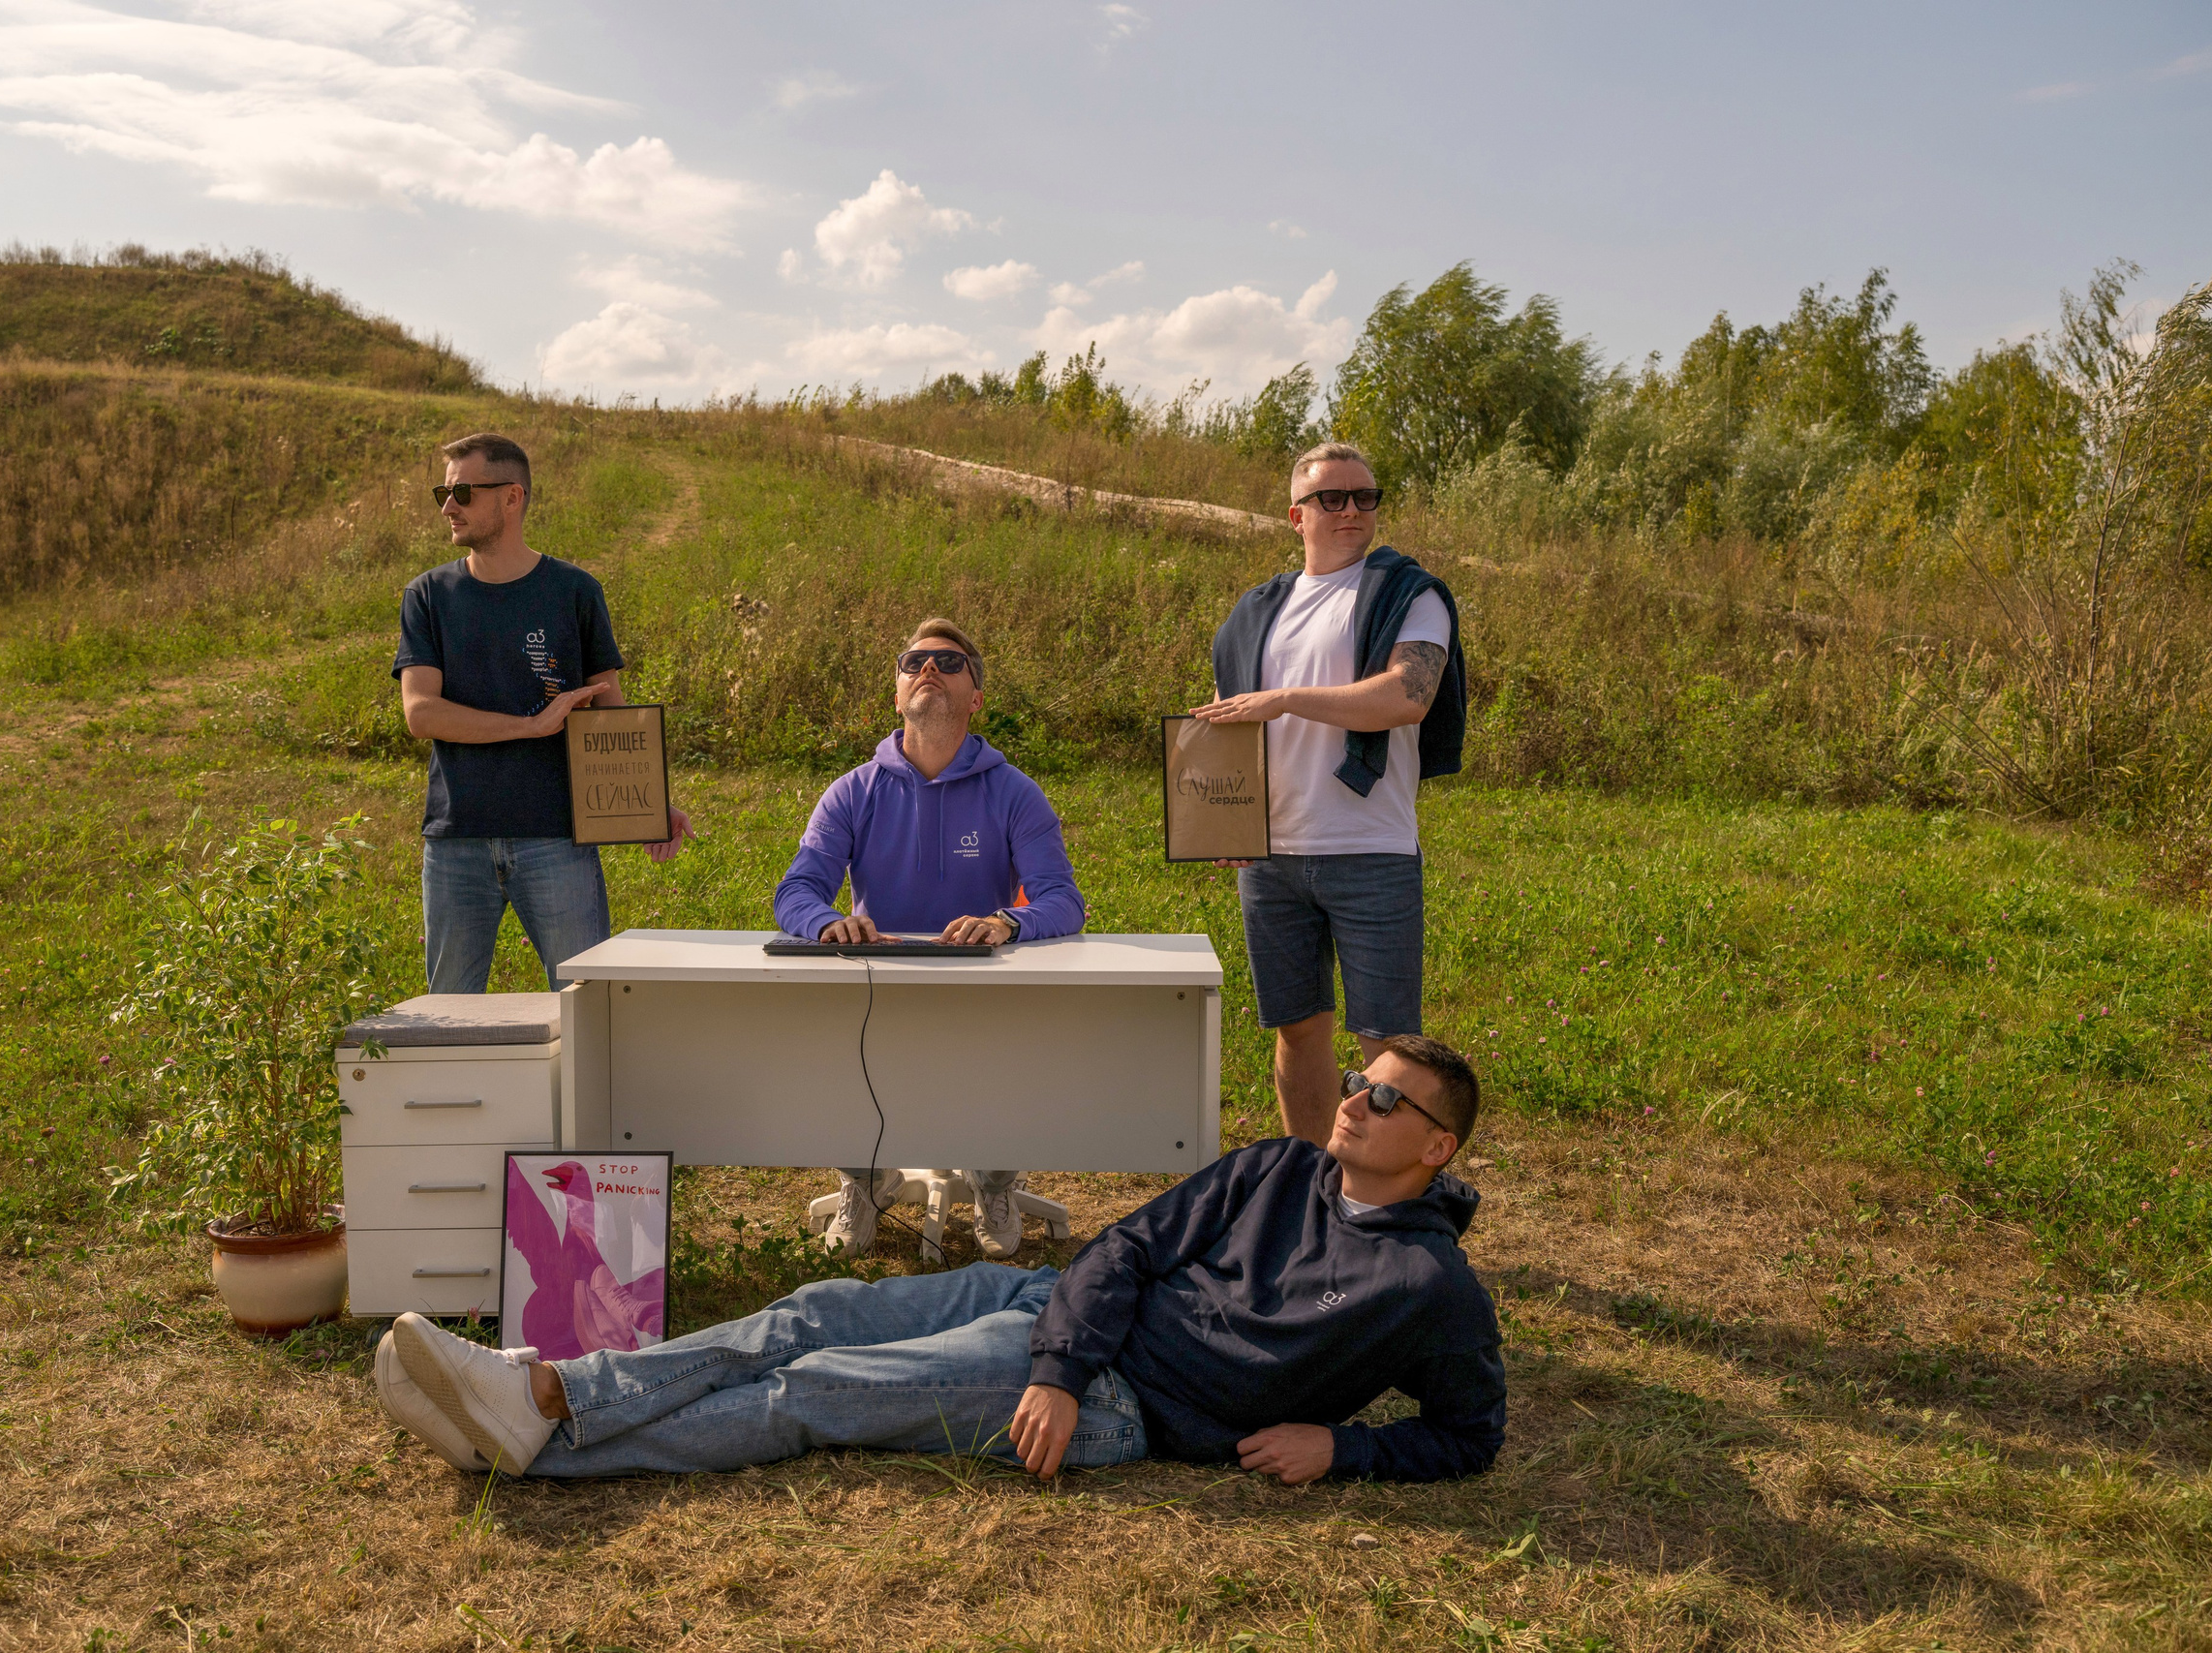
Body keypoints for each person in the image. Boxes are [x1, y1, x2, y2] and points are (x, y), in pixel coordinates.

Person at [374, 1036, 1502, 1485]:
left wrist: (1342, 1446)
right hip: (1060, 1326)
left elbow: (1470, 1435)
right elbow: (1127, 1248)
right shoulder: (1277, 1168)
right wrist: (1056, 1358)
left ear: (1434, 1146)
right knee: (810, 1310)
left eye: (1384, 1096)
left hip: (1122, 1404)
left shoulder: (1427, 1290)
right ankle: (554, 1392)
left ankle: (535, 1446)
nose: (1354, 1097)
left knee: (814, 1395)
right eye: (1356, 1078)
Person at [768, 618, 1087, 1261]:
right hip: (876, 992)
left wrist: (1008, 921)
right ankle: (863, 1182)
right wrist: (828, 922)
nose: (929, 669)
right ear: (897, 693)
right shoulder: (852, 792)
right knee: (834, 1033)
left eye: (949, 660)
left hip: (983, 991)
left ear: (975, 697)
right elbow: (795, 892)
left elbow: (1063, 900)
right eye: (914, 661)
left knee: (1009, 1050)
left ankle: (994, 1183)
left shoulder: (1015, 793)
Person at [1191, 443, 1465, 1145]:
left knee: (1391, 1052)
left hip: (1369, 850)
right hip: (1273, 857)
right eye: (1333, 498)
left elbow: (1407, 695)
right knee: (1296, 1033)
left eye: (1365, 497)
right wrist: (1224, 823)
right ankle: (1314, 1195)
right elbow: (1229, 717)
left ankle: (1385, 1210)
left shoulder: (1409, 592)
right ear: (1296, 515)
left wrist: (1282, 698)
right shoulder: (1257, 610)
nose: (1351, 509)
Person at [393, 432, 689, 994]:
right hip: (457, 840)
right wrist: (530, 726)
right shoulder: (428, 596)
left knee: (588, 1006)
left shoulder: (574, 592)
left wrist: (650, 805)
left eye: (462, 494)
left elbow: (609, 711)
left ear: (512, 497)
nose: (447, 507)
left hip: (555, 838)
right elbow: (422, 713)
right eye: (443, 493)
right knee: (449, 1012)